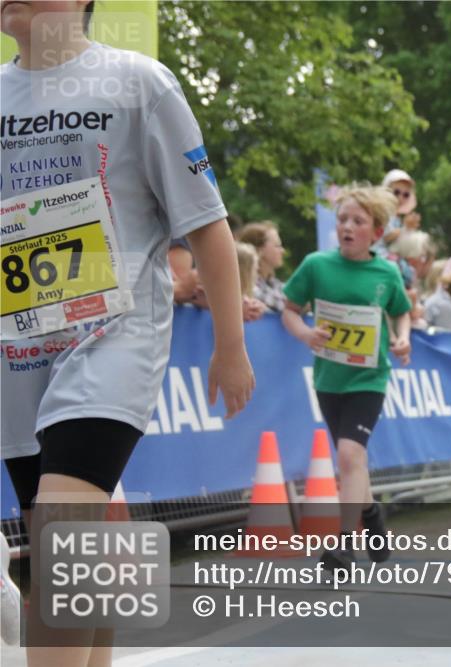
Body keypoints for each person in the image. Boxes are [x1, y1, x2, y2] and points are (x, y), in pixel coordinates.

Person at [1, 2, 255, 663]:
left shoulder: (140, 82)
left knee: (63, 538)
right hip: (19, 354)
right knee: (78, 547)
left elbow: (207, 225)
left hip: (112, 338)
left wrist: (230, 346)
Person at [281, 183, 411, 571]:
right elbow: (289, 309)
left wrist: (402, 338)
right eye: (342, 220)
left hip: (370, 379)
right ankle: (371, 517)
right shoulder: (316, 266)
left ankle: (343, 545)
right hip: (329, 379)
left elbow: (401, 311)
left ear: (376, 231)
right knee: (352, 461)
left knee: (350, 454)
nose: (347, 227)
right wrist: (305, 333)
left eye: (358, 221)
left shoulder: (386, 272)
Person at [235, 221, 287, 313]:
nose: (282, 251)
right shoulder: (246, 285)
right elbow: (288, 303)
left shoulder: (274, 284)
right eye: (277, 246)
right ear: (259, 250)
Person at [373, 169, 417, 256]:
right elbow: (386, 237)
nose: (400, 197)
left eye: (406, 194)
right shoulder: (382, 211)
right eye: (396, 192)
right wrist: (405, 227)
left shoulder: (395, 216)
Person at [234, 242, 266, 322]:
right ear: (245, 272)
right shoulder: (207, 294)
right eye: (255, 270)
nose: (257, 274)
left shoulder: (247, 300)